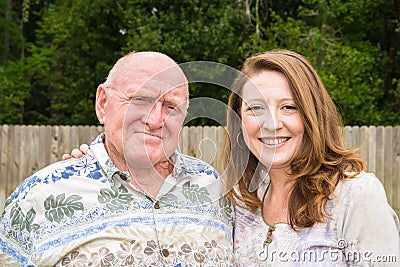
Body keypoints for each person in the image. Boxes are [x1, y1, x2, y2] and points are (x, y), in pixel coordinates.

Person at [0, 52, 234, 266]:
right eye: (140, 99)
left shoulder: (213, 186)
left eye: (171, 106)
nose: (154, 120)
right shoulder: (39, 196)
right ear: (103, 103)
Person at [220, 49, 400, 266]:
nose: (272, 123)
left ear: (312, 115)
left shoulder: (356, 196)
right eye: (256, 108)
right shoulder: (240, 200)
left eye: (289, 107)